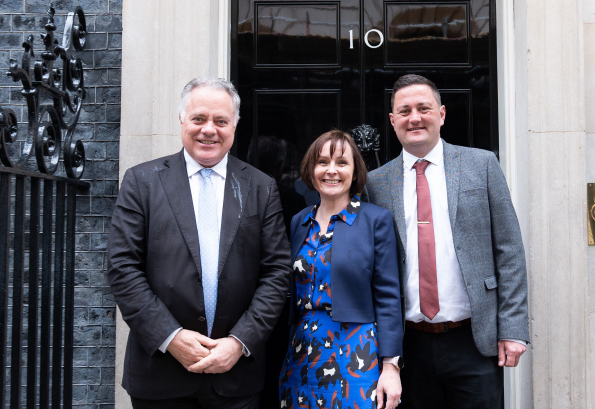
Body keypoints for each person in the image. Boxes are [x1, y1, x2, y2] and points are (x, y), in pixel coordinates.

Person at [108, 77, 291, 409]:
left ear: (235, 125)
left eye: (221, 121)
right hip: (160, 375)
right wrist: (171, 337)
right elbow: (123, 268)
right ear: (182, 119)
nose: (210, 129)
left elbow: (277, 273)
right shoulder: (141, 182)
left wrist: (239, 342)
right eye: (199, 119)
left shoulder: (262, 187)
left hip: (235, 377)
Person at [365, 74, 529, 409]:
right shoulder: (375, 183)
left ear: (441, 114)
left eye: (423, 108)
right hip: (406, 345)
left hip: (473, 339)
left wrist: (512, 327)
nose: (415, 117)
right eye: (405, 110)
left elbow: (509, 249)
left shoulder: (481, 165)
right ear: (393, 121)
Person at [279, 130, 403, 409]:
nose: (331, 170)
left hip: (356, 353)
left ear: (355, 171)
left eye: (342, 163)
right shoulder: (300, 221)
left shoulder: (375, 220)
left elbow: (388, 297)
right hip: (301, 352)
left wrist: (391, 366)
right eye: (322, 162)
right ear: (311, 171)